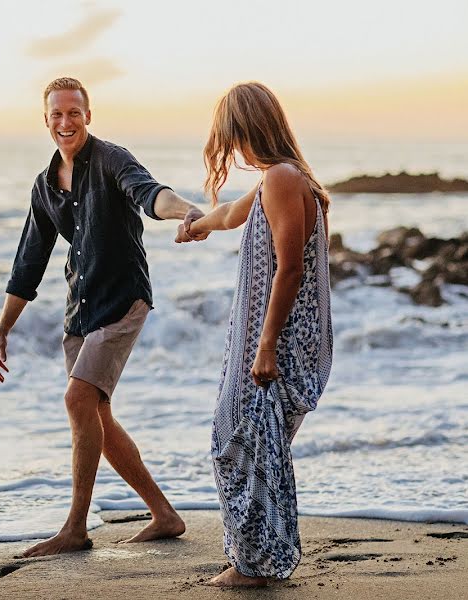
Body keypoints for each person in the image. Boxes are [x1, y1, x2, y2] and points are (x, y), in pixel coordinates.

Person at [0, 77, 202, 557]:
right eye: (57, 115)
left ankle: (75, 529)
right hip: (79, 309)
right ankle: (165, 515)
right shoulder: (44, 187)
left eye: (75, 113)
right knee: (94, 413)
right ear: (45, 121)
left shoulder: (112, 160)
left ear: (88, 115)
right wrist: (2, 331)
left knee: (77, 400)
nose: (66, 122)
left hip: (123, 299)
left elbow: (150, 195)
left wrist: (187, 211)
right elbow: (28, 264)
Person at [176, 81, 333, 587]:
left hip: (280, 341)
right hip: (277, 338)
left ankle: (254, 565)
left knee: (237, 440)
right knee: (250, 442)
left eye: (231, 135)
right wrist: (197, 223)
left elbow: (289, 269)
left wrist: (265, 346)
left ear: (248, 128)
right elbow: (229, 215)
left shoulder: (284, 179)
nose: (230, 148)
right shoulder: (278, 178)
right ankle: (257, 560)